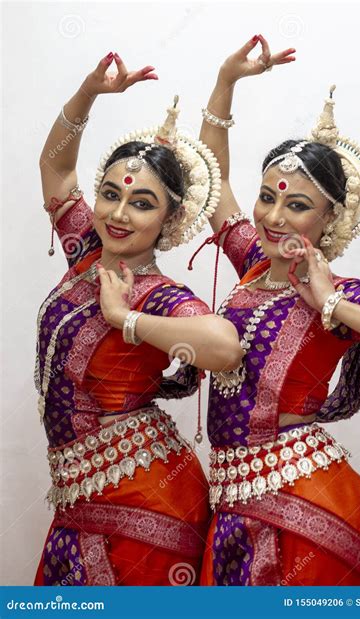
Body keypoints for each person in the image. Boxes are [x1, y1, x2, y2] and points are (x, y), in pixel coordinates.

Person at [193, 35, 360, 585]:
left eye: (297, 205)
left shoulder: (336, 292)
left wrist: (332, 303)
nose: (272, 216)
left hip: (308, 514)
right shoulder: (251, 263)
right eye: (267, 196)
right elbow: (213, 186)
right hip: (235, 506)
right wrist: (226, 84)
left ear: (328, 218)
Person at [33, 52, 243, 586]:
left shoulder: (156, 295)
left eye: (142, 203)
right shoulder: (86, 250)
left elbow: (223, 346)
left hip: (147, 500)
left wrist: (125, 319)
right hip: (81, 493)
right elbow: (55, 167)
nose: (119, 214)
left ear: (169, 218)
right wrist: (88, 93)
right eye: (110, 194)